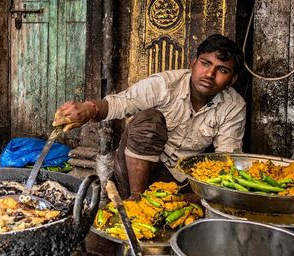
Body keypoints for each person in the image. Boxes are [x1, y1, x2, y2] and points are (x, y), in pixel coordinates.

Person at [53, 34, 246, 199]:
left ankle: (171, 204)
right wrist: (88, 109)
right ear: (193, 64)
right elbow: (121, 102)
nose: (210, 74)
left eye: (222, 70)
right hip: (135, 170)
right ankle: (137, 199)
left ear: (232, 79)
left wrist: (204, 198)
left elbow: (226, 158)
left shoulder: (233, 106)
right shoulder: (165, 84)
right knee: (150, 119)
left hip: (180, 179)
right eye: (205, 63)